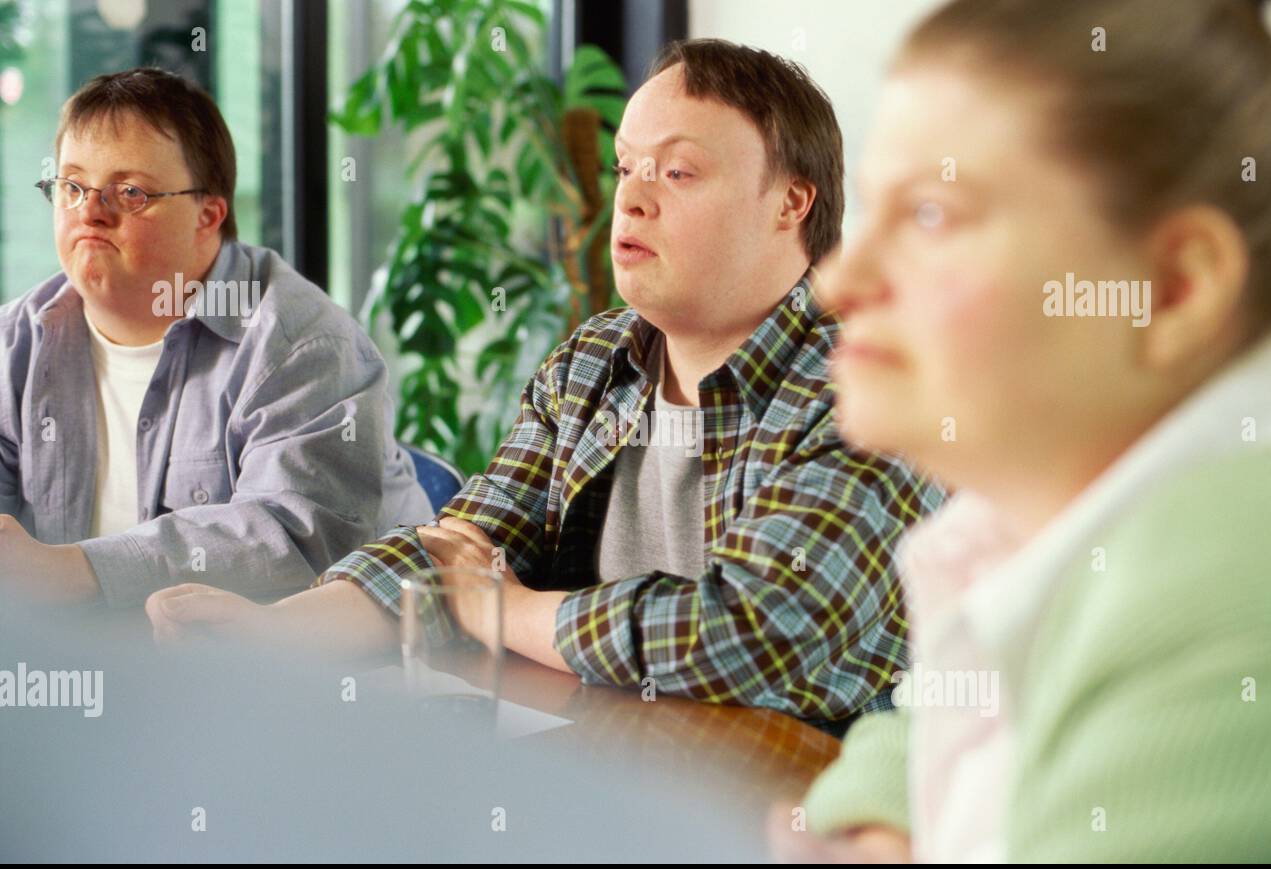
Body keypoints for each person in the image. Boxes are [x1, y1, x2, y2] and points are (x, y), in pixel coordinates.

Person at [146, 40, 946, 729]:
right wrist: (271, 632)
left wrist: (513, 612)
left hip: (795, 807)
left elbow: (756, 632)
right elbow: (455, 556)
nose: (629, 197)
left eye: (677, 172)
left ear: (790, 204)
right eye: (626, 166)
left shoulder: (873, 386)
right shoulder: (593, 362)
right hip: (605, 775)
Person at [771, 0, 1271, 861]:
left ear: (1171, 290)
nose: (839, 282)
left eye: (933, 216)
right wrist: (883, 815)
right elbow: (944, 708)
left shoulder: (1239, 585)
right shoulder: (1043, 509)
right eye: (873, 210)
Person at [0, 68, 428, 609]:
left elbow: (300, 544)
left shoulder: (303, 345)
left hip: (303, 675)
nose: (89, 211)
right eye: (72, 186)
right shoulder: (13, 344)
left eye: (129, 192)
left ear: (209, 215)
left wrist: (74, 571)